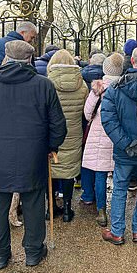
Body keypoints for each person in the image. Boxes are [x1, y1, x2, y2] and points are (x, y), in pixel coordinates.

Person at [0, 40, 67, 270]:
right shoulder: (43, 85)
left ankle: (1, 255)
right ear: (29, 59)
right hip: (32, 155)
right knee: (32, 203)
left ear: (6, 58)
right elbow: (58, 125)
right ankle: (32, 251)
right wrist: (51, 146)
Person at [100, 46, 137, 245]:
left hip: (125, 151)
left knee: (120, 188)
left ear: (131, 61)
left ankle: (117, 231)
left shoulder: (115, 88)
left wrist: (125, 144)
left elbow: (108, 119)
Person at [80, 53, 123, 227]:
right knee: (120, 174)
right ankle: (119, 212)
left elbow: (87, 112)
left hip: (99, 134)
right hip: (118, 134)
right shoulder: (123, 86)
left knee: (100, 174)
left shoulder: (98, 88)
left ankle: (102, 211)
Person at [46, 49, 89, 222]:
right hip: (73, 132)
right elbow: (85, 112)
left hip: (52, 133)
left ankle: (51, 207)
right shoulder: (83, 85)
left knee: (51, 169)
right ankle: (67, 209)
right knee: (69, 170)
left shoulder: (47, 83)